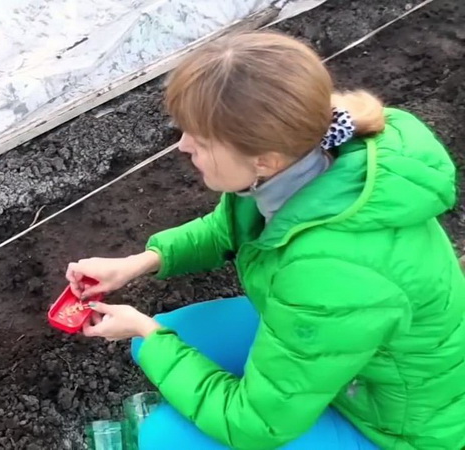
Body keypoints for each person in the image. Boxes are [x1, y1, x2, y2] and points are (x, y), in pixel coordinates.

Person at [65, 31, 465, 449]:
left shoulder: (328, 275)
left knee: (163, 435)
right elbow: (227, 228)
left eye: (200, 142)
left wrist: (149, 336)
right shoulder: (308, 157)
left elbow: (253, 426)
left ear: (264, 160)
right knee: (167, 335)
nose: (182, 147)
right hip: (345, 350)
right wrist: (139, 262)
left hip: (393, 425)